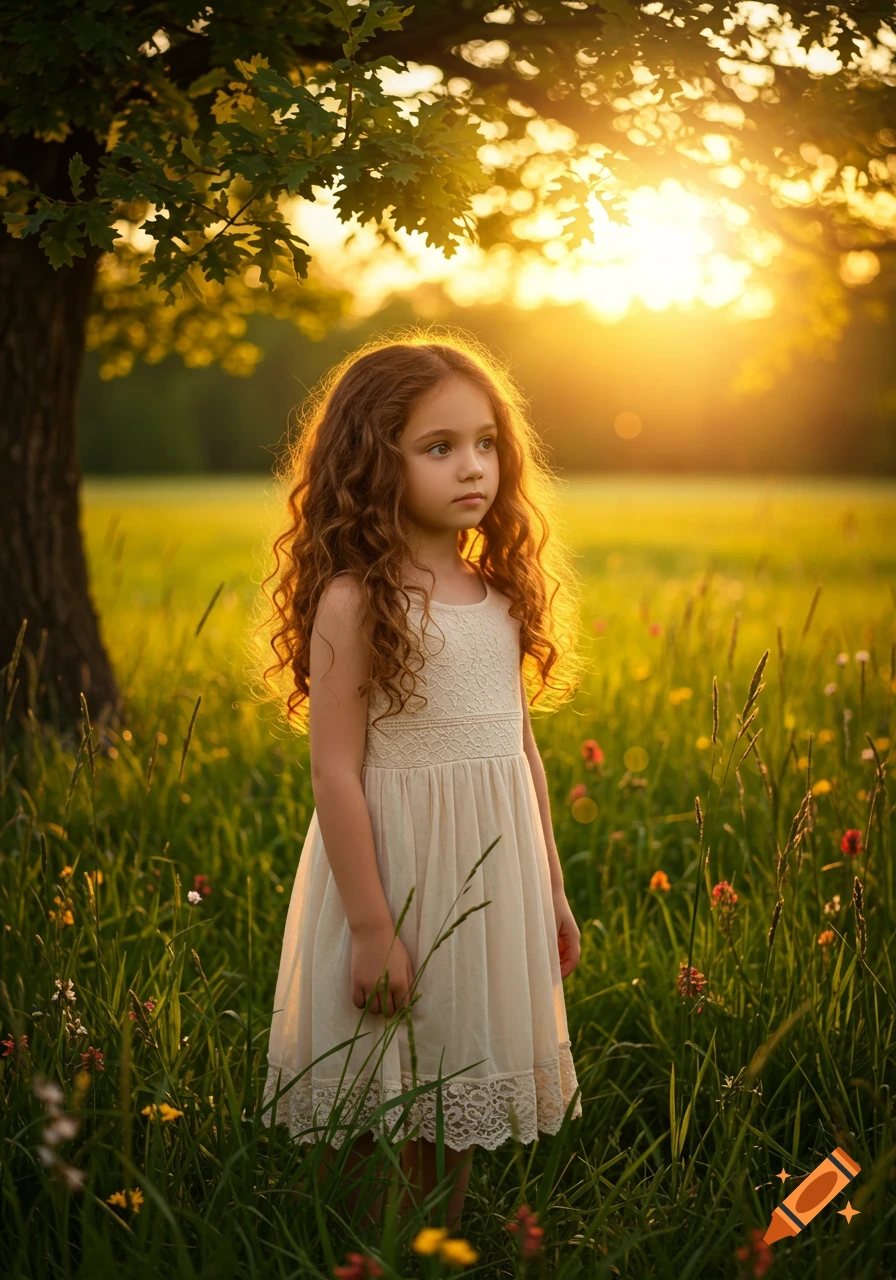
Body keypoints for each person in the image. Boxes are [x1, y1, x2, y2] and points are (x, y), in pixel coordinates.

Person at [255, 330, 586, 1236]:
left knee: (463, 1077)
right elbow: (334, 769)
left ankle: (441, 1245)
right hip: (394, 874)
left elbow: (522, 755)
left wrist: (551, 893)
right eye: (438, 448)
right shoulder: (356, 599)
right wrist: (370, 927)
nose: (471, 467)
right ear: (372, 459)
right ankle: (374, 1250)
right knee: (385, 1091)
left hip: (490, 879)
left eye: (485, 443)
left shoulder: (502, 597)